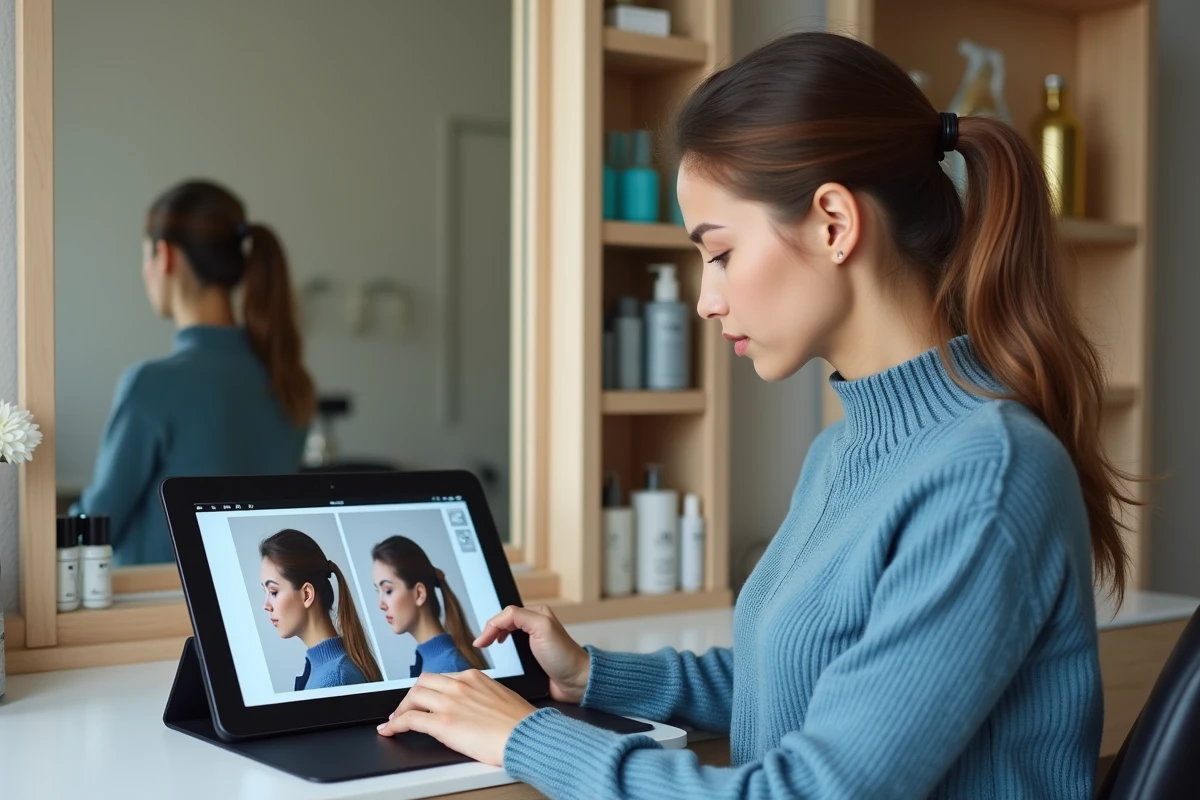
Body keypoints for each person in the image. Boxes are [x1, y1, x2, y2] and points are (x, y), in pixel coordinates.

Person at [376, 31, 1134, 799]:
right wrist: (590, 674)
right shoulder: (841, 455)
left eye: (721, 253)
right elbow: (800, 676)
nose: (707, 299)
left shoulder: (987, 476)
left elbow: (807, 792)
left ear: (834, 223)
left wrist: (522, 736)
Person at [72, 180, 314, 565]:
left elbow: (97, 528)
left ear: (164, 255)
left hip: (152, 616)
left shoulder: (151, 385)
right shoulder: (289, 381)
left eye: (145, 257)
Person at [259, 529, 382, 690]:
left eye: (273, 592)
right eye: (265, 592)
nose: (266, 605)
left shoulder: (335, 680)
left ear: (307, 594)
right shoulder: (324, 672)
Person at [371, 535, 488, 675]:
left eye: (388, 591)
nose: (381, 604)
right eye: (378, 591)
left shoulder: (450, 671)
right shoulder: (431, 663)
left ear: (419, 594)